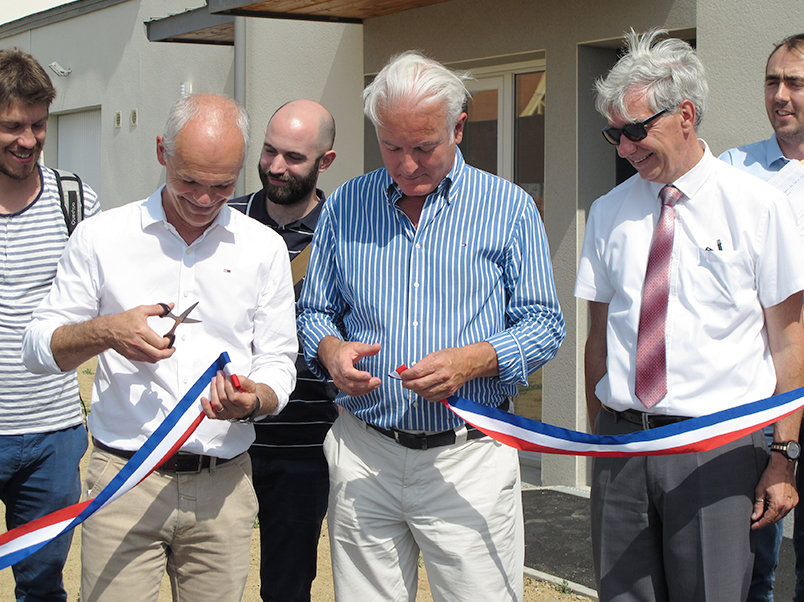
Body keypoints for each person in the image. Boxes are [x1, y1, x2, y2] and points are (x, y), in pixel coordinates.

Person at [297, 51, 565, 602]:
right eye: (391, 147)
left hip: (468, 457)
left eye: (423, 147)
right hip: (365, 453)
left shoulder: (508, 207)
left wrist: (475, 360)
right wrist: (329, 352)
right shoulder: (347, 204)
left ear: (459, 128)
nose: (406, 164)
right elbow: (315, 312)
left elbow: (545, 325)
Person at [21, 93, 297, 602]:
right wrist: (107, 331)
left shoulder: (263, 248)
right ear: (160, 152)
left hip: (223, 485)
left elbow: (280, 360)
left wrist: (254, 399)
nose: (204, 199)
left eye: (222, 185)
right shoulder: (101, 237)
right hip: (123, 480)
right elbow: (39, 349)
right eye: (189, 180)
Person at [576, 30, 804, 602]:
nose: (625, 148)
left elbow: (790, 345)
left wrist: (784, 456)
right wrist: (598, 439)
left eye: (636, 130)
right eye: (615, 134)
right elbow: (598, 339)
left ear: (685, 114)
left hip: (718, 453)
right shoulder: (608, 212)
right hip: (624, 447)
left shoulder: (758, 207)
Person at [0, 48, 100, 602]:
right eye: (12, 125)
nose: (29, 139)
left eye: (38, 125)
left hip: (52, 436)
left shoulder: (74, 199)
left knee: (41, 584)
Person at [229, 99, 338, 602]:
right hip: (220, 441)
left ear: (325, 161)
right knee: (208, 579)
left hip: (303, 445)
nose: (276, 166)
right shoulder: (224, 222)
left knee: (287, 585)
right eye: (269, 150)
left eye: (293, 157)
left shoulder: (345, 234)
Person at [719, 32, 804, 602]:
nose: (780, 94)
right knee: (754, 557)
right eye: (772, 82)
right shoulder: (734, 169)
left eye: (794, 82)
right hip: (762, 390)